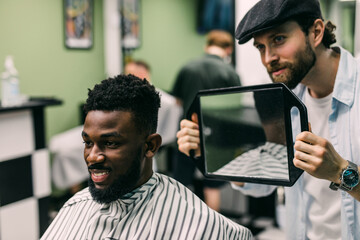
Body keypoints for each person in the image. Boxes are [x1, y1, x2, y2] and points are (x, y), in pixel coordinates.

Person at [176, 0, 360, 239]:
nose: (268, 58)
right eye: (260, 47)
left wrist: (340, 172)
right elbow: (263, 184)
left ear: (316, 32)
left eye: (278, 39)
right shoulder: (284, 100)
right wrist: (211, 152)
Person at [41, 74, 252, 240]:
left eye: (111, 143)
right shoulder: (74, 207)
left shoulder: (197, 223)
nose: (93, 157)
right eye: (88, 142)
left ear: (150, 146)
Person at [171, 30, 241, 211]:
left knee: (181, 184)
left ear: (207, 45)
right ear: (228, 49)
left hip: (188, 133)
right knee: (212, 186)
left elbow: (178, 101)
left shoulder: (187, 67)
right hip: (217, 138)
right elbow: (235, 109)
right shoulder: (230, 72)